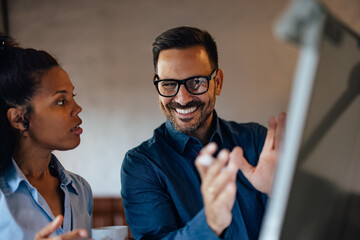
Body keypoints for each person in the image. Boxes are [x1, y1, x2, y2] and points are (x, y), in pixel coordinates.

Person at [121, 26, 286, 239]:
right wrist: (210, 223)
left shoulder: (257, 141)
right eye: (169, 84)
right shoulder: (142, 165)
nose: (182, 98)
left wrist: (283, 193)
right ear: (157, 87)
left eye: (196, 82)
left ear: (217, 83)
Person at [0, 34, 92, 239]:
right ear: (19, 119)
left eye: (72, 97)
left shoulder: (81, 190)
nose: (77, 108)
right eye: (61, 101)